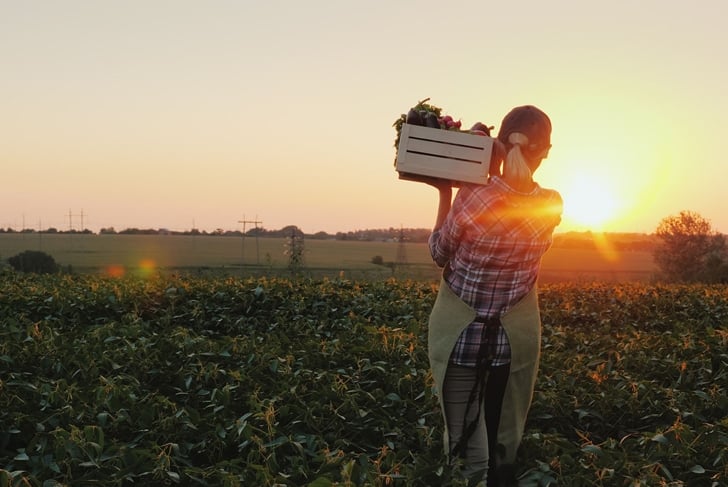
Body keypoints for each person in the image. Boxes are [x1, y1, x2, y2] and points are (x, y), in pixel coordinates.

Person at [425, 105, 563, 486]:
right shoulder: (551, 204)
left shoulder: (472, 196)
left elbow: (439, 253)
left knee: (466, 449)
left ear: (499, 145)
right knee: (501, 442)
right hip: (511, 344)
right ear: (546, 152)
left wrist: (446, 190)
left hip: (460, 341)